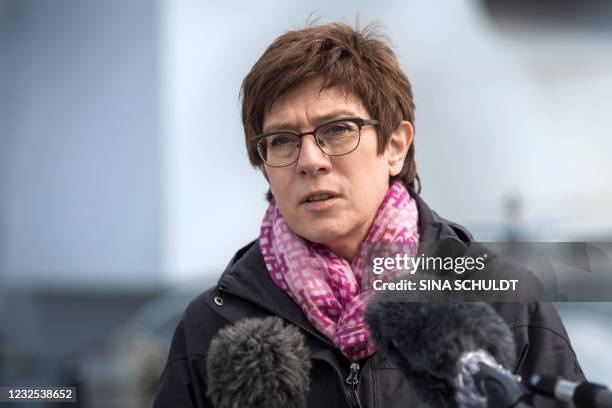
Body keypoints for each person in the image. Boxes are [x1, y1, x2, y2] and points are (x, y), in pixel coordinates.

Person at [153, 22, 584, 407]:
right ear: (263, 164)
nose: (309, 160)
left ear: (395, 147)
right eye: (282, 140)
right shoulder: (212, 325)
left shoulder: (501, 299)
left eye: (337, 130)